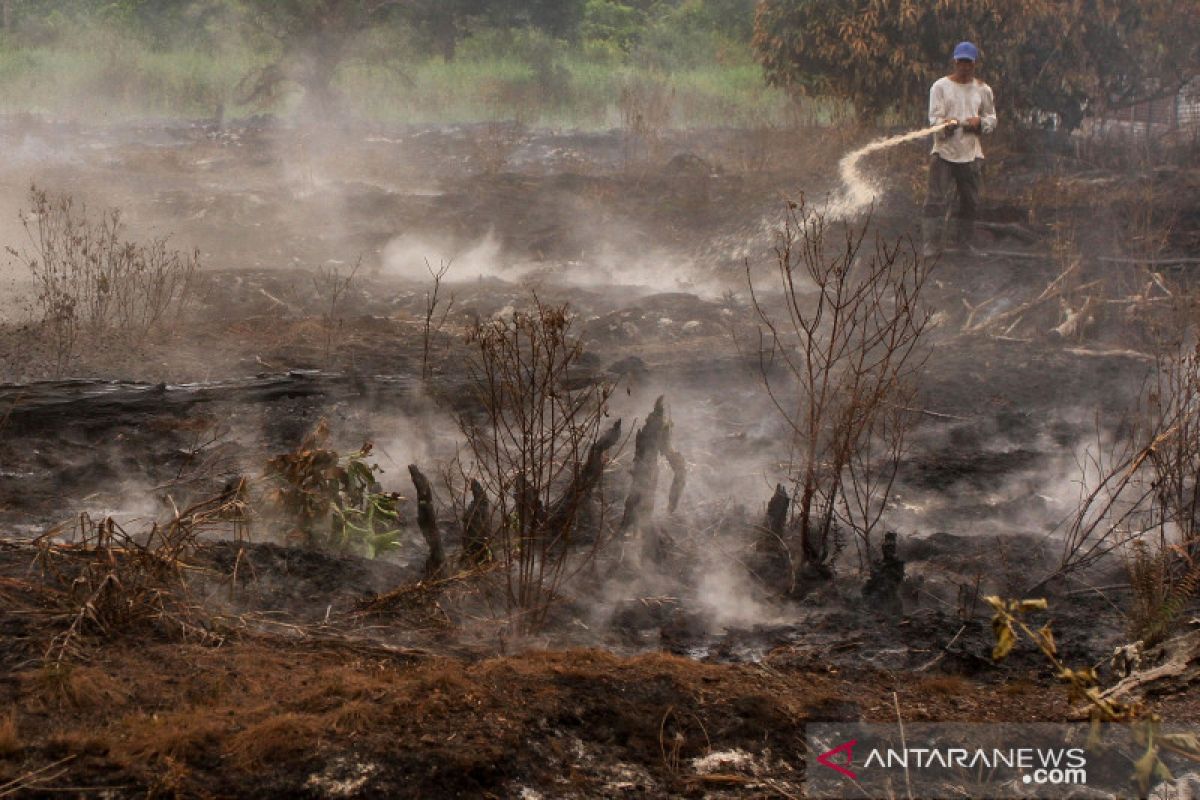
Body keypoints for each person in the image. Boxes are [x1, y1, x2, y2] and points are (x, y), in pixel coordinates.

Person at [922, 41, 997, 256]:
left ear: (974, 64)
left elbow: (991, 119)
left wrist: (980, 123)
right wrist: (945, 125)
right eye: (961, 61)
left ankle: (965, 244)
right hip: (944, 152)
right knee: (935, 200)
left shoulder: (983, 89)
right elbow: (934, 119)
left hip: (971, 154)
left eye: (969, 63)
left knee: (970, 202)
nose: (964, 66)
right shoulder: (940, 87)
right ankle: (931, 244)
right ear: (955, 61)